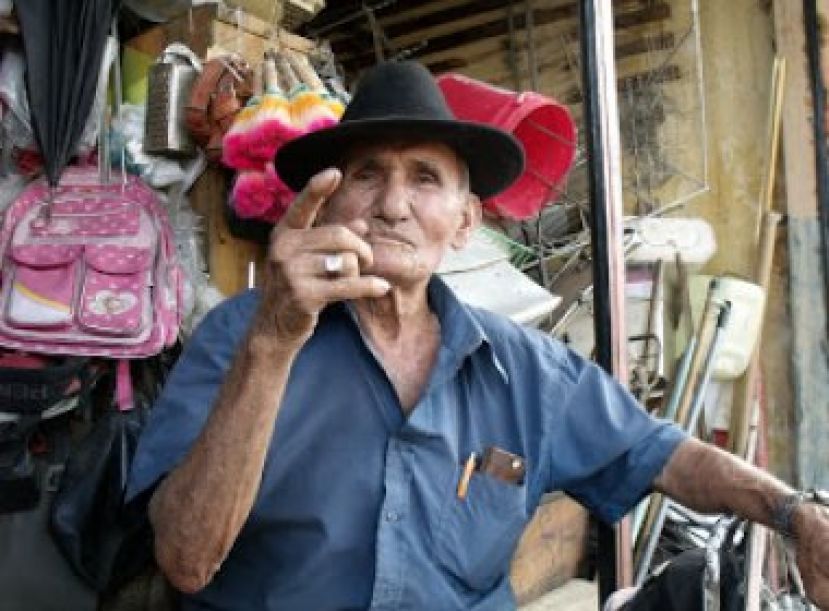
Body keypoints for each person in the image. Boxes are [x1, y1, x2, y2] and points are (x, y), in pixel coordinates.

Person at [126, 61, 829, 610]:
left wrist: (794, 513)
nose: (392, 204)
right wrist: (274, 341)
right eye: (367, 173)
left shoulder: (526, 370)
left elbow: (666, 456)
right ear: (327, 201)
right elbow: (184, 559)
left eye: (423, 178)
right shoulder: (240, 338)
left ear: (464, 222)